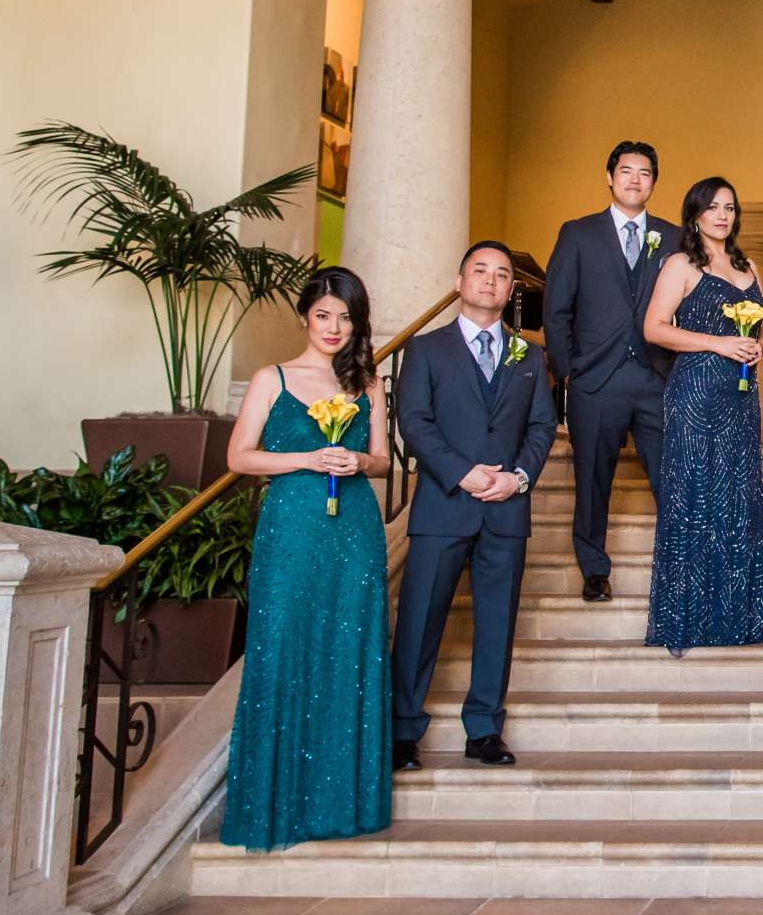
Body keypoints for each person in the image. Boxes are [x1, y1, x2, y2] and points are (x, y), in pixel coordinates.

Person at [221, 267, 393, 849]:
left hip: (354, 531)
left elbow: (383, 462)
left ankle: (342, 806)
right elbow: (239, 458)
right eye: (324, 315)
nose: (334, 327)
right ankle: (278, 806)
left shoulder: (368, 383)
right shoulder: (271, 378)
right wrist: (306, 459)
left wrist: (355, 464)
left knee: (350, 650)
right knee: (283, 644)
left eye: (346, 318)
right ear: (305, 317)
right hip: (292, 528)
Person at [391, 240, 557, 770]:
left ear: (511, 291)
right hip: (444, 504)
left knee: (496, 623)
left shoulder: (529, 356)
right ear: (460, 282)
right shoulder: (425, 349)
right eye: (480, 271)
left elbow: (541, 426)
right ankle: (402, 730)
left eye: (502, 274)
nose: (491, 280)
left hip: (506, 510)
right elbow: (413, 421)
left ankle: (484, 730)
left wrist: (519, 478)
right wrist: (461, 472)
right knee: (419, 620)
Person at [639, 175, 763, 656]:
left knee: (736, 500)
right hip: (694, 390)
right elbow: (654, 328)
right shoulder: (681, 264)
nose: (722, 215)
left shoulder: (748, 265)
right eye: (713, 206)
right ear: (695, 213)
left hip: (739, 395)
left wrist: (760, 344)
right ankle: (685, 621)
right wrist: (718, 342)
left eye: (730, 207)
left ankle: (735, 618)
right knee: (692, 497)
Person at [545, 141, 679, 602]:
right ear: (609, 176)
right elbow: (557, 308)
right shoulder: (578, 233)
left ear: (653, 182)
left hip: (655, 377)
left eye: (645, 173)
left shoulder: (675, 237)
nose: (635, 179)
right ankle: (593, 568)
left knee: (673, 475)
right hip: (595, 380)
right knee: (592, 479)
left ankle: (679, 564)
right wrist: (569, 372)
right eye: (626, 171)